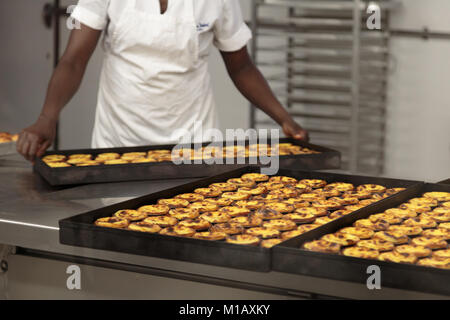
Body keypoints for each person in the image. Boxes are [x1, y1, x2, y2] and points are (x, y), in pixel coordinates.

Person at [17, 0, 308, 162]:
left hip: (194, 148)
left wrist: (283, 118)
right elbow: (74, 59)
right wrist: (47, 116)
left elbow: (241, 66)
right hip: (118, 147)